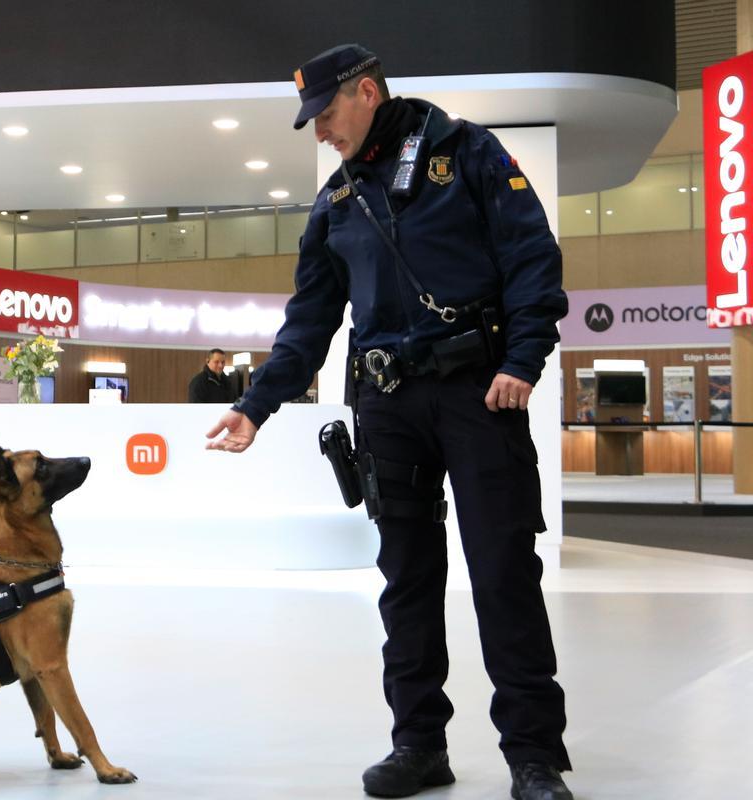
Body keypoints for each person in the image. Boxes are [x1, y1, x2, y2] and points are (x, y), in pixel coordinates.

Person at [204, 44, 572, 800]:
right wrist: (255, 406)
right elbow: (308, 320)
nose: (319, 133)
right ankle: (418, 745)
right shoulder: (337, 201)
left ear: (366, 92)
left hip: (480, 393)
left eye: (327, 113)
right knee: (407, 580)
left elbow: (531, 257)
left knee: (504, 574)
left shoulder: (465, 151)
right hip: (388, 406)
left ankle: (533, 756)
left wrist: (524, 359)